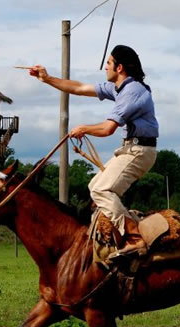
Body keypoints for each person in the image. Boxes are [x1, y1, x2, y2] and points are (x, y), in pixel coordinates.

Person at [29, 45, 158, 258]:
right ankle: (132, 227)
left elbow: (108, 129)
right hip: (131, 148)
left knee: (102, 191)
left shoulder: (133, 91)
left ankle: (134, 238)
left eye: (108, 63)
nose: (105, 67)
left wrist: (84, 128)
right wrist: (47, 78)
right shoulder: (119, 87)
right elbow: (80, 88)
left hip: (139, 151)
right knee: (95, 186)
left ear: (120, 67)